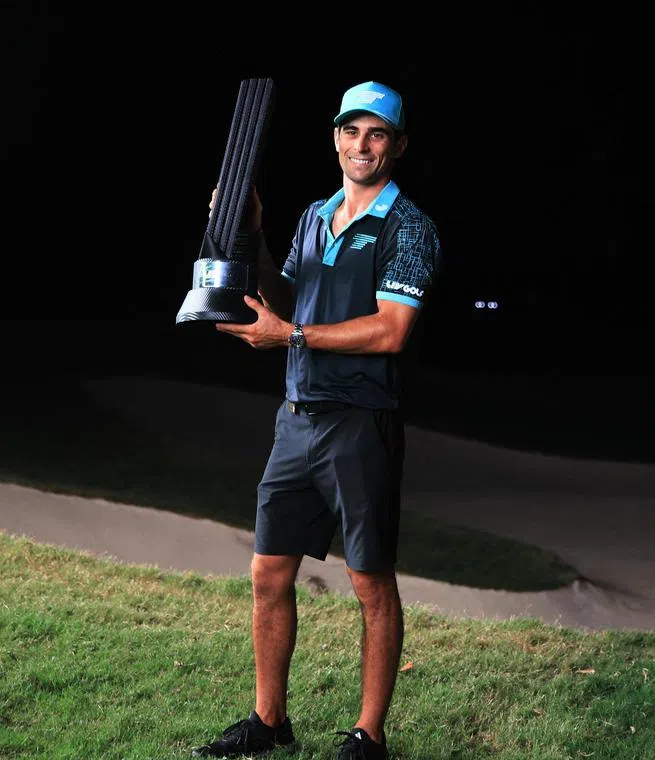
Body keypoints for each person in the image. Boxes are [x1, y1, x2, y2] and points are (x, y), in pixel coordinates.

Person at [193, 81, 441, 760]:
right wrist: (253, 229)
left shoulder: (410, 228)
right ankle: (269, 721)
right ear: (335, 138)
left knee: (370, 582)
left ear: (396, 146)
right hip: (296, 420)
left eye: (378, 134)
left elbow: (391, 331)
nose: (363, 146)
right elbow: (284, 296)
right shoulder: (314, 216)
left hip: (361, 423)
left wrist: (292, 338)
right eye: (352, 132)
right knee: (269, 573)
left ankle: (368, 736)